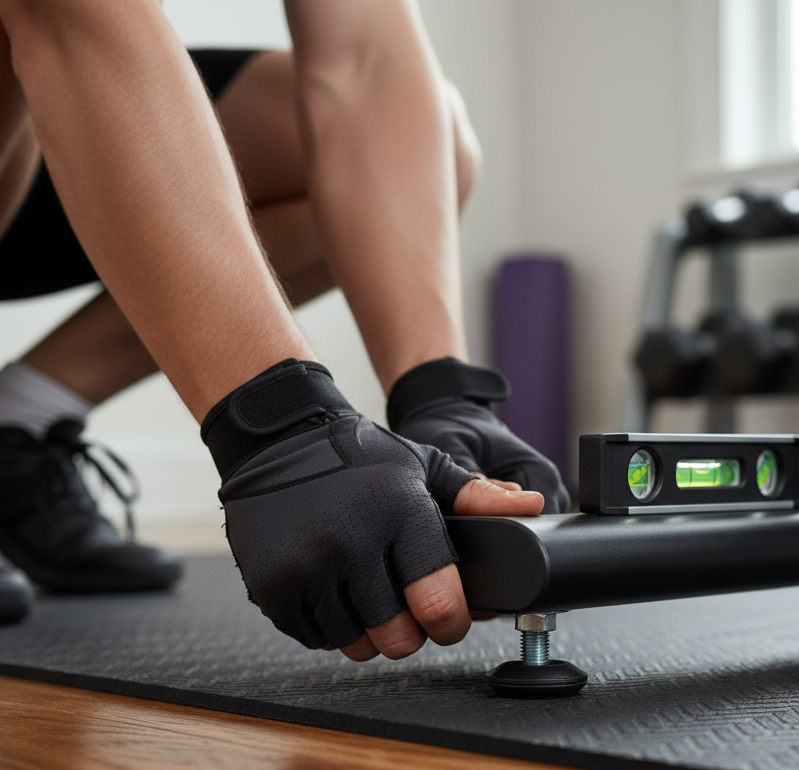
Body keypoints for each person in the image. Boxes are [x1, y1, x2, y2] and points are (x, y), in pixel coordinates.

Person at [0, 0, 568, 662]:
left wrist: (440, 393)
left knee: (435, 142)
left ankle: (21, 421)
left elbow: (366, 56)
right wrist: (284, 429)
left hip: (53, 132)